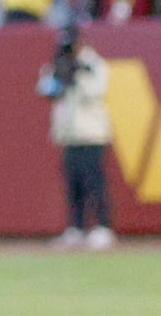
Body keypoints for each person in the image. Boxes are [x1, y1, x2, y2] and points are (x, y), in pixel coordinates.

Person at [41, 25, 114, 249]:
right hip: (69, 134)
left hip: (92, 133)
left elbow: (96, 91)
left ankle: (102, 227)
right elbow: (46, 90)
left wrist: (79, 75)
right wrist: (60, 74)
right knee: (73, 184)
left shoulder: (93, 64)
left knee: (94, 182)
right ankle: (76, 228)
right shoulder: (58, 63)